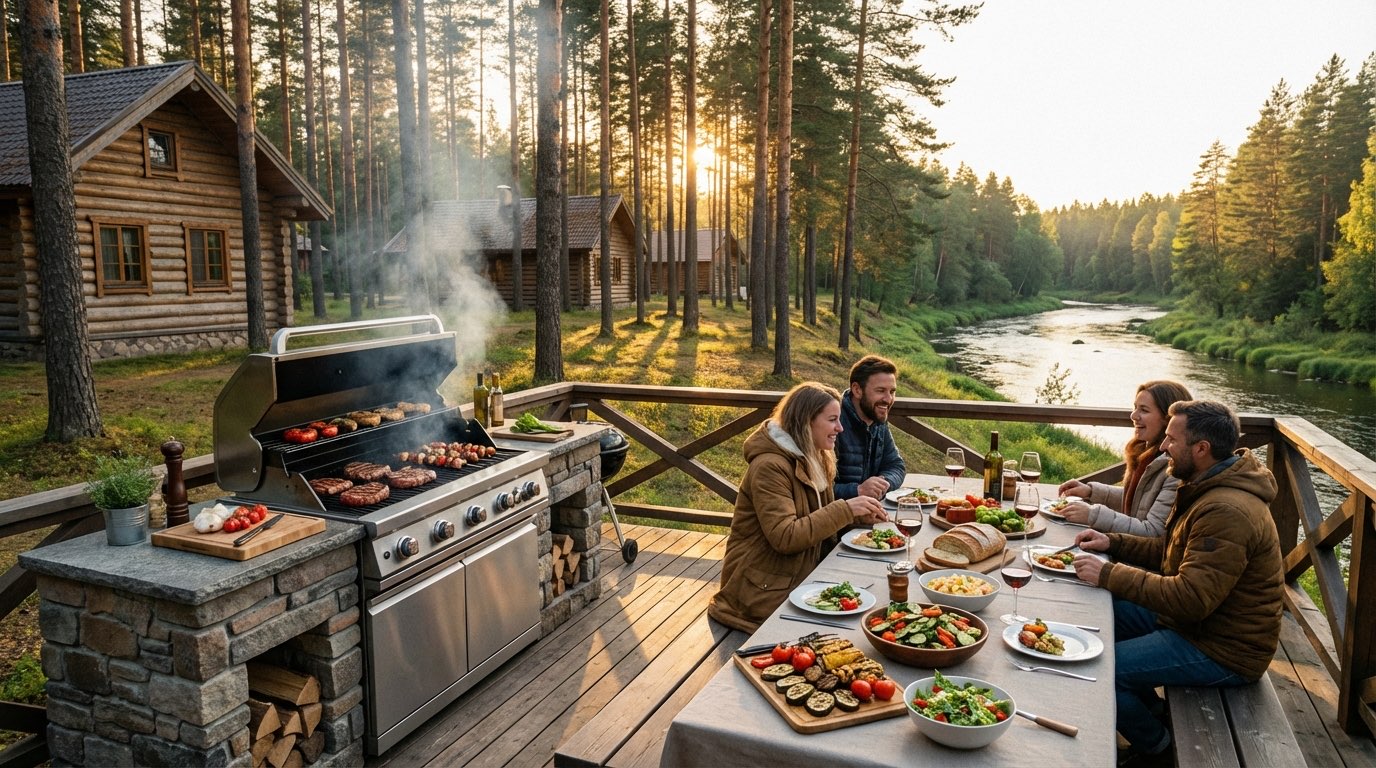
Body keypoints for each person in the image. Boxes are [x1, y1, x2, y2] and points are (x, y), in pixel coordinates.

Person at [1071, 400, 1283, 761]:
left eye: (1171, 439)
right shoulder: (1207, 484)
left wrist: (1108, 572)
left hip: (1222, 647)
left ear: (1201, 449)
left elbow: (1190, 598)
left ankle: (1158, 750)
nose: (1164, 446)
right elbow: (1171, 552)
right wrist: (1113, 542)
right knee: (1099, 615)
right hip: (1197, 624)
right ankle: (1153, 714)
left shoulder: (1226, 510)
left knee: (1102, 671)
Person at [708, 382, 888, 632]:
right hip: (759, 594)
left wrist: (859, 517)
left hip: (800, 578)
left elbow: (817, 519)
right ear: (806, 422)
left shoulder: (816, 455)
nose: (840, 428)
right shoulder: (769, 467)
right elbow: (786, 536)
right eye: (833, 420)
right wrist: (846, 509)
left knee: (878, 600)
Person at [1056, 380, 1193, 537]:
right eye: (1135, 408)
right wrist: (1091, 492)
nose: (1133, 416)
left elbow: (1152, 532)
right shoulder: (1146, 453)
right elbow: (1139, 500)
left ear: (1168, 419)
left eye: (1144, 410)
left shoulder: (1176, 467)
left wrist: (1093, 514)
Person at [833, 355, 906, 502]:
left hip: (868, 513)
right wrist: (858, 490)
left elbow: (896, 465)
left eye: (892, 392)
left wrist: (882, 483)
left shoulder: (877, 420)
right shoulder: (833, 422)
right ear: (857, 390)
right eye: (880, 391)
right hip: (836, 519)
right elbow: (815, 487)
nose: (888, 399)